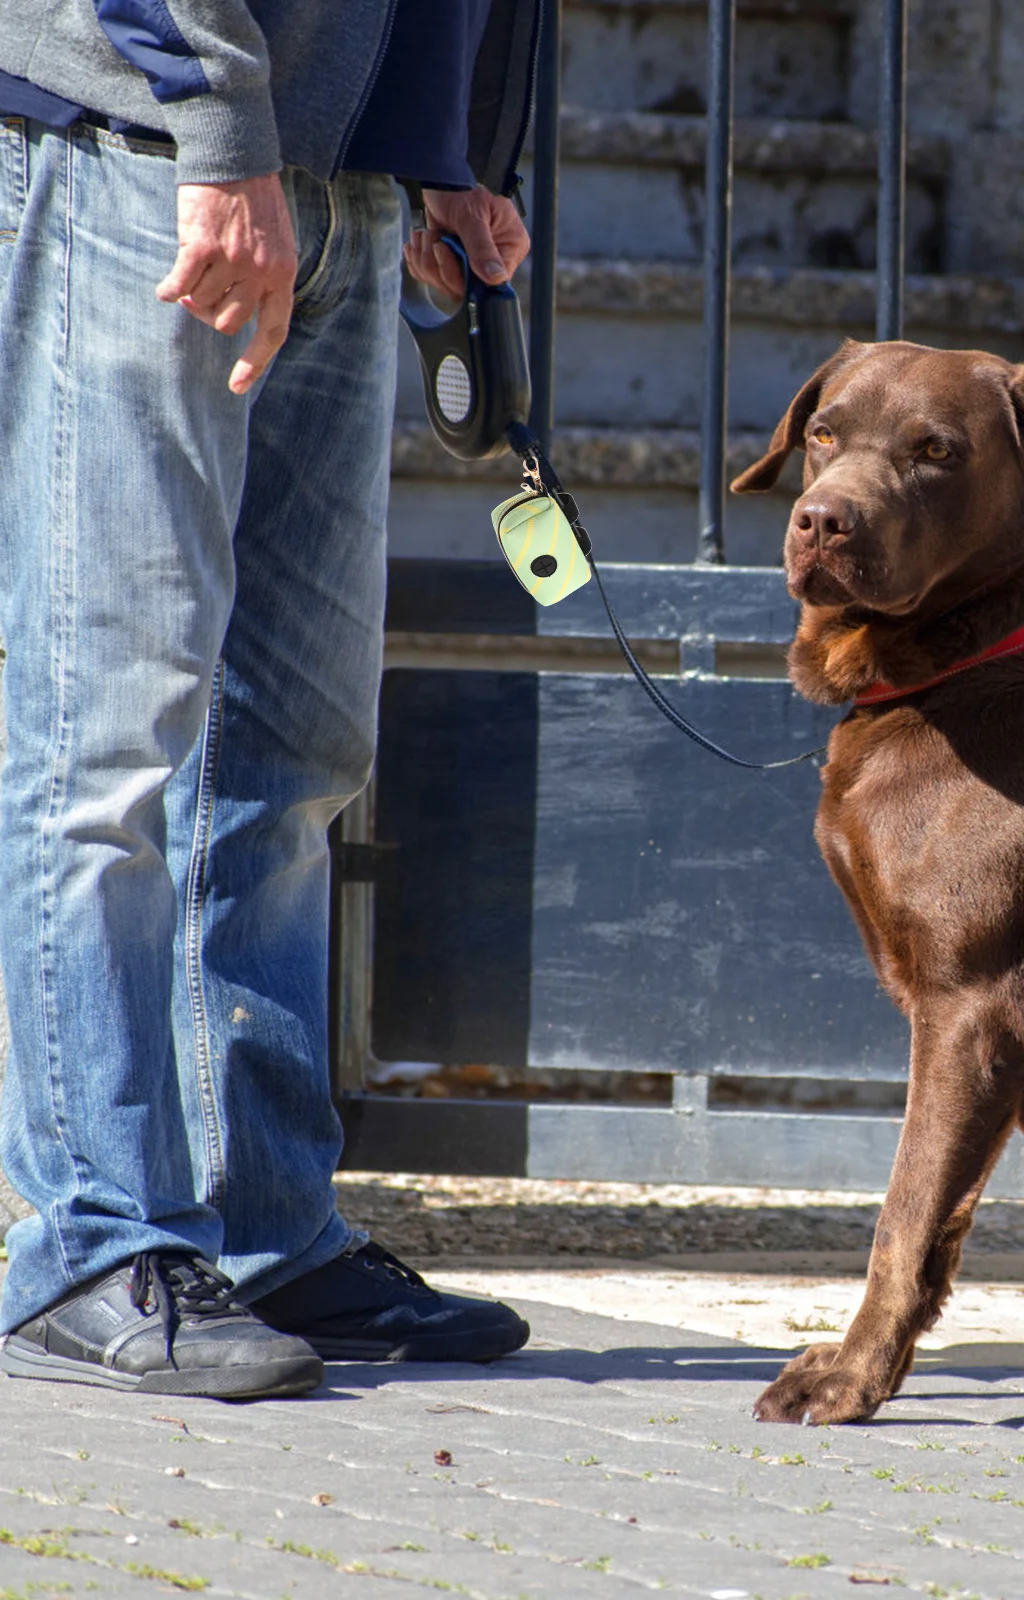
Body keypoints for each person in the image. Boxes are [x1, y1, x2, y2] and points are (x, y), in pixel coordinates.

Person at [0, 2, 539, 1399]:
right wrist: (219, 129)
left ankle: (261, 1232)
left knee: (292, 746)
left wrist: (455, 151)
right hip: (156, 143)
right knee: (111, 734)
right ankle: (93, 1241)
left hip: (345, 170)